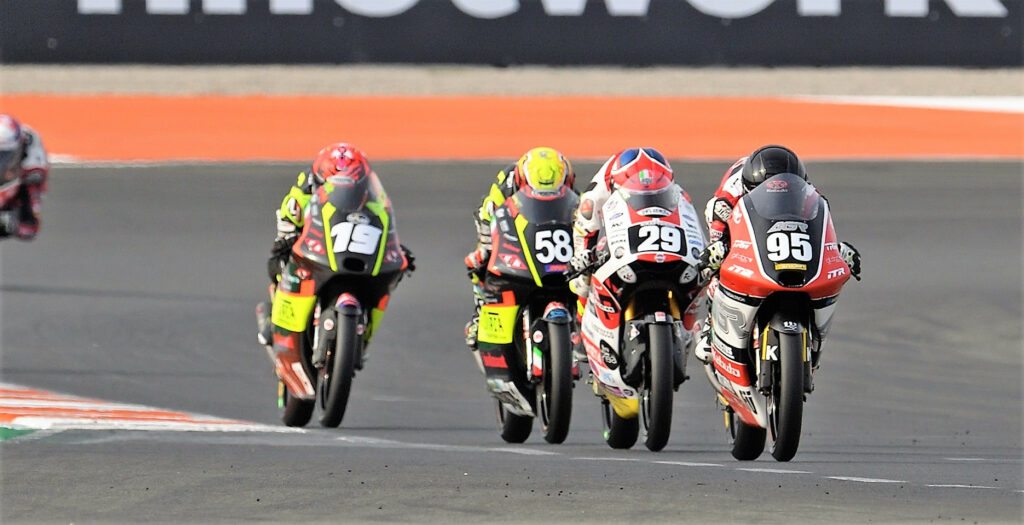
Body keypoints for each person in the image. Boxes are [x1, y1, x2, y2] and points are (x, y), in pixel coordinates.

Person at [692, 144, 861, 363]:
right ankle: (710, 326)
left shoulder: (811, 195)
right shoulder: (725, 202)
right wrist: (719, 250)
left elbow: (820, 231)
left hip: (786, 226)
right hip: (734, 223)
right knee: (718, 271)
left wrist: (837, 251)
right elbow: (718, 240)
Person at [256, 143, 414, 366]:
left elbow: (383, 222)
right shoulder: (304, 189)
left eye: (351, 184)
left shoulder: (372, 197)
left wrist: (393, 248)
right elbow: (288, 217)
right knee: (279, 265)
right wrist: (287, 237)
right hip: (313, 246)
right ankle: (275, 320)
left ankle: (360, 336)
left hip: (349, 249)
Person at [463, 146, 575, 348]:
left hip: (553, 240)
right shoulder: (506, 181)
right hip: (515, 233)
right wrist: (490, 242)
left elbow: (580, 210)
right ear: (521, 180)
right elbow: (486, 212)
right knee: (478, 259)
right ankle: (479, 312)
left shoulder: (568, 183)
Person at [0, 114, 49, 240]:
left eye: (3, 155)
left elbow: (29, 229)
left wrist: (9, 224)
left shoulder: (33, 166)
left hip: (15, 185)